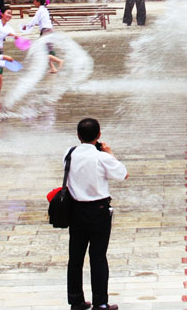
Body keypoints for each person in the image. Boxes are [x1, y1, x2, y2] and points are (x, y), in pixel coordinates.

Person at [66, 118, 128, 310]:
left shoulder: (69, 154)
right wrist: (110, 153)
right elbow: (122, 174)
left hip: (75, 210)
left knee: (75, 257)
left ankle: (76, 299)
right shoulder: (102, 157)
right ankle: (100, 302)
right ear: (99, 135)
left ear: (78, 136)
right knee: (98, 257)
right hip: (98, 211)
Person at [21, 0, 65, 73]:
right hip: (48, 31)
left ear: (38, 2)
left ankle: (59, 61)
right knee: (46, 50)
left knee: (43, 51)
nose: (33, 2)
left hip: (46, 31)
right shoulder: (44, 9)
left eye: (34, 0)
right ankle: (53, 68)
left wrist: (26, 26)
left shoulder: (40, 10)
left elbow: (34, 21)